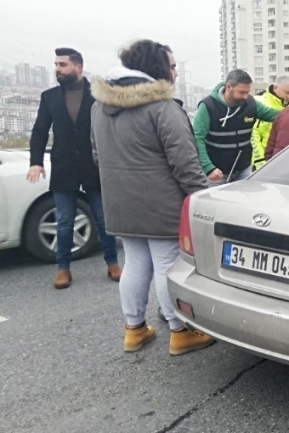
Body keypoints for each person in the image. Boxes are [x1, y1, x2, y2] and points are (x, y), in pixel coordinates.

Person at [90, 40, 215, 356]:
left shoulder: (98, 106)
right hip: (160, 204)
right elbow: (185, 164)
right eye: (172, 66)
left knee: (134, 262)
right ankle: (180, 331)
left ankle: (134, 329)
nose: (174, 72)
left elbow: (96, 154)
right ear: (156, 68)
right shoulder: (162, 108)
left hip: (119, 203)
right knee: (167, 265)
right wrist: (202, 202)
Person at [28, 47, 121, 289]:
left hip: (95, 165)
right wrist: (36, 162)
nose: (57, 69)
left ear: (78, 67)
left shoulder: (98, 95)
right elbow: (39, 131)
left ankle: (112, 262)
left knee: (103, 219)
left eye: (62, 65)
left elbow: (112, 128)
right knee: (64, 221)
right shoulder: (49, 97)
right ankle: (63, 269)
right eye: (56, 64)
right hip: (64, 166)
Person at [193, 69, 279, 184]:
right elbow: (197, 137)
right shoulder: (208, 106)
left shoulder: (250, 104)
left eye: (247, 92)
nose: (245, 96)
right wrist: (208, 167)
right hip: (216, 172)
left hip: (244, 169)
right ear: (229, 87)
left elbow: (274, 115)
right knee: (216, 202)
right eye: (242, 92)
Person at [251, 75, 289, 170]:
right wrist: (259, 160)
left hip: (284, 160)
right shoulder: (258, 102)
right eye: (287, 92)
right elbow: (253, 134)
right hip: (262, 161)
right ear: (275, 87)